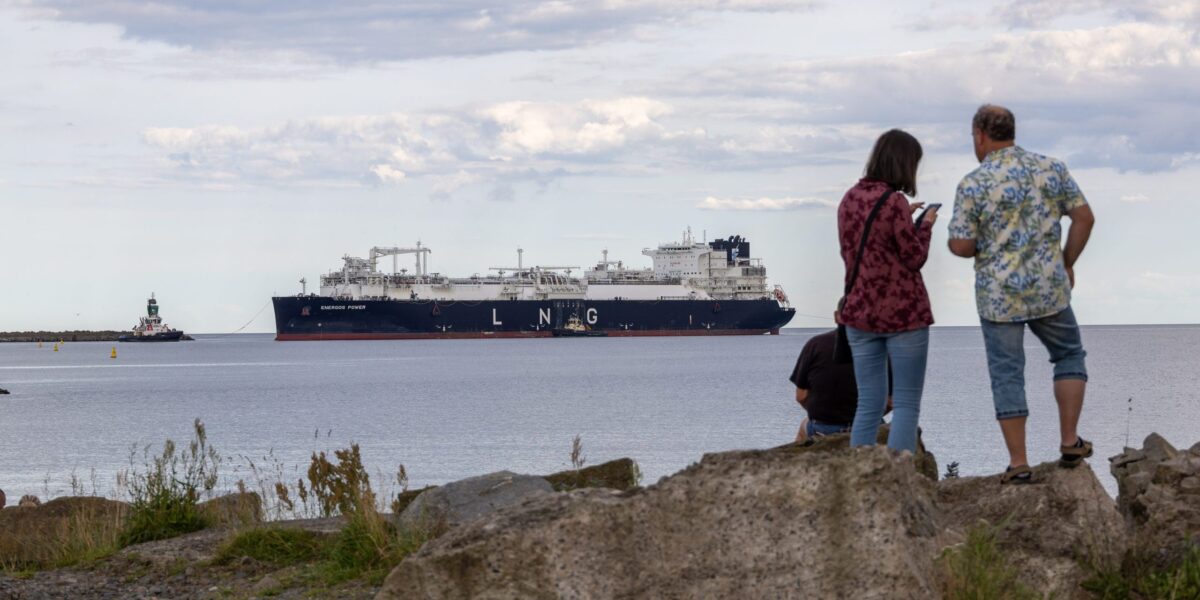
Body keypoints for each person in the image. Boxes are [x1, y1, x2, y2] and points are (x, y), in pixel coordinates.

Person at [948, 105, 1095, 484]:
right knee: (1068, 355)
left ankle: (1019, 463)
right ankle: (1069, 440)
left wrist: (980, 244)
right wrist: (1066, 262)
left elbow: (962, 245)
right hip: (1049, 288)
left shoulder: (974, 183)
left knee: (1007, 374)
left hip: (999, 297)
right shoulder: (1052, 168)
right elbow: (1084, 217)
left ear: (980, 134)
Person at [837, 129, 936, 454]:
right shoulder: (894, 202)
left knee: (868, 403)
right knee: (906, 402)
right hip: (902, 314)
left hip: (859, 313)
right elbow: (913, 257)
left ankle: (860, 477)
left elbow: (861, 248)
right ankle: (898, 479)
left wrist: (903, 219)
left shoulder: (849, 199)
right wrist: (923, 226)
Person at [789, 329, 892, 443]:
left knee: (804, 427)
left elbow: (801, 396)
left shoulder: (815, 344)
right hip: (869, 426)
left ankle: (794, 459)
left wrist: (822, 416)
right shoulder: (883, 346)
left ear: (837, 317)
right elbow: (890, 402)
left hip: (823, 429)